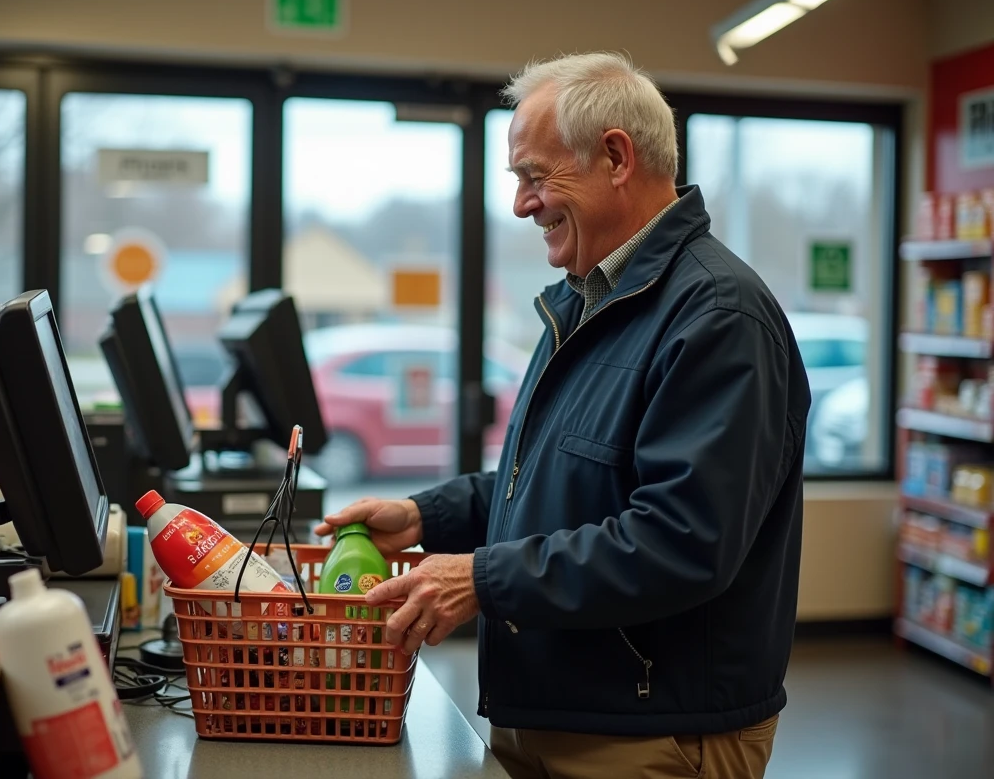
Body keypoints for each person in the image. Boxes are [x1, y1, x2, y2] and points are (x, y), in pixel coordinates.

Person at [315, 51, 810, 779]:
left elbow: (682, 541)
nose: (521, 204)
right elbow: (553, 481)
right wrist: (427, 516)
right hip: (558, 708)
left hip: (650, 731)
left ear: (615, 157)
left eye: (535, 177)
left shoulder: (717, 316)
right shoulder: (588, 298)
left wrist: (482, 581)